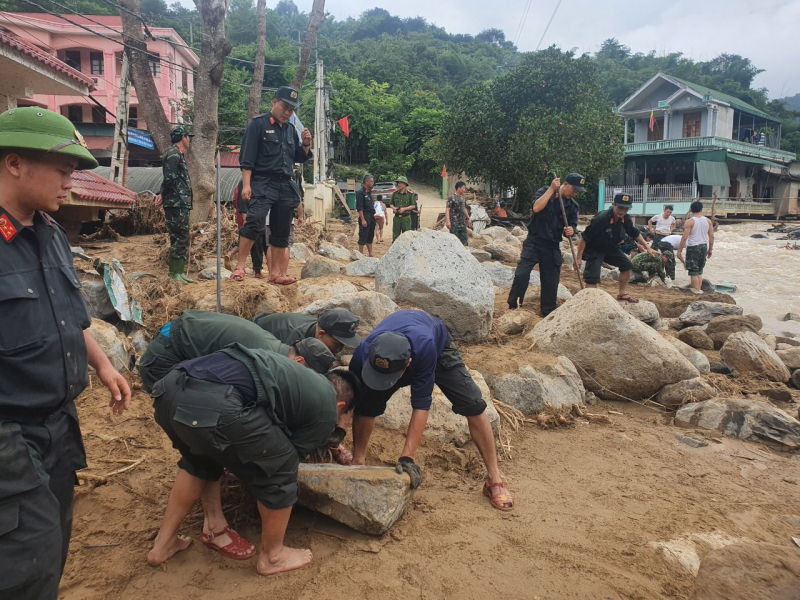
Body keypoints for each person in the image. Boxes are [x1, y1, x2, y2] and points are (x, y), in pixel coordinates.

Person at [0, 107, 132, 600]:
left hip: (59, 425)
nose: (70, 185)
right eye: (62, 171)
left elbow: (68, 318)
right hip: (9, 433)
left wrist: (101, 364)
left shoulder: (51, 234)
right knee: (24, 559)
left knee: (51, 548)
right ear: (15, 163)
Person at [147, 344, 360, 575]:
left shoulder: (292, 374)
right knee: (282, 466)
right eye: (342, 417)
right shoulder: (327, 406)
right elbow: (287, 459)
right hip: (216, 404)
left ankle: (163, 543)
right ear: (340, 406)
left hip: (169, 390)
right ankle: (273, 556)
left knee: (199, 461)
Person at [348, 310, 513, 511]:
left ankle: (494, 479)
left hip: (437, 346)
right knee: (366, 404)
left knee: (473, 404)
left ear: (407, 366)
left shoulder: (424, 348)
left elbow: (421, 405)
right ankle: (358, 460)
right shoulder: (364, 351)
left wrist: (407, 457)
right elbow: (351, 398)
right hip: (393, 355)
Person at [139, 309, 335, 393]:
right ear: (299, 362)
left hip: (183, 338)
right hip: (166, 353)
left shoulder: (275, 346)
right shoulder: (263, 359)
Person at [235, 86, 312, 284]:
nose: (287, 113)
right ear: (274, 102)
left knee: (281, 230)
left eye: (291, 110)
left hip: (286, 184)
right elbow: (247, 159)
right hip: (263, 181)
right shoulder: (258, 124)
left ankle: (276, 274)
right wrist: (246, 185)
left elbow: (298, 157)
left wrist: (305, 144)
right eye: (284, 107)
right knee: (255, 221)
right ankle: (240, 267)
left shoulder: (290, 130)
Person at [507, 174, 582, 315]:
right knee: (522, 274)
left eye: (578, 191)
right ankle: (513, 306)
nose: (576, 193)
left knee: (551, 280)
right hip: (534, 242)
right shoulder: (545, 191)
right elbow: (536, 208)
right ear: (565, 184)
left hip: (552, 245)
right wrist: (552, 190)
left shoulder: (573, 206)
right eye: (574, 189)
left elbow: (571, 229)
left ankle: (547, 311)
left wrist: (570, 231)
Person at [576, 193, 661, 303]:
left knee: (627, 265)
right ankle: (589, 301)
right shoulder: (601, 218)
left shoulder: (626, 218)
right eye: (620, 208)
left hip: (612, 248)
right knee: (592, 277)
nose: (622, 211)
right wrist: (578, 257)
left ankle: (622, 293)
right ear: (613, 205)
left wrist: (647, 247)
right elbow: (584, 238)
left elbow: (635, 233)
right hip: (595, 248)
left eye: (626, 209)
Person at [155, 125, 194, 283]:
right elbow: (169, 178)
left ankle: (179, 272)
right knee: (179, 237)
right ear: (183, 137)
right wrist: (162, 194)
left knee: (182, 236)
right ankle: (175, 274)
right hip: (176, 202)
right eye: (188, 137)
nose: (189, 140)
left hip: (179, 202)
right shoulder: (173, 154)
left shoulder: (177, 154)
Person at [253, 308, 362, 354]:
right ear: (321, 334)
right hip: (254, 335)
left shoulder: (325, 324)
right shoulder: (293, 341)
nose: (339, 349)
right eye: (337, 344)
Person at [677, 201, 714, 294]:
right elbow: (711, 237)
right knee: (699, 270)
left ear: (691, 210)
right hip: (703, 246)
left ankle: (696, 292)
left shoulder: (690, 221)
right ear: (701, 209)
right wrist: (710, 249)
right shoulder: (708, 221)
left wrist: (679, 251)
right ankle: (699, 291)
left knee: (693, 271)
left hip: (693, 247)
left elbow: (684, 237)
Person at [388, 176, 416, 242]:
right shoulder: (395, 194)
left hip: (406, 218)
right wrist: (394, 208)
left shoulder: (410, 194)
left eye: (401, 183)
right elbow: (391, 204)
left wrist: (404, 209)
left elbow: (413, 206)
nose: (399, 184)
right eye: (398, 183)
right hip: (397, 218)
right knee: (395, 235)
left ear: (405, 184)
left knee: (407, 236)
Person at [445, 181, 472, 246]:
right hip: (454, 223)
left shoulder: (463, 198)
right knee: (454, 241)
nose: (464, 190)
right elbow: (447, 210)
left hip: (462, 223)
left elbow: (464, 208)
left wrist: (468, 219)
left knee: (464, 241)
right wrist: (448, 222)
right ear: (458, 188)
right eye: (463, 188)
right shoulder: (452, 198)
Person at [356, 173, 376, 256]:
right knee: (363, 235)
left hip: (371, 216)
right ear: (366, 182)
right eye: (371, 181)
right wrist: (363, 219)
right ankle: (360, 254)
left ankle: (370, 254)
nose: (372, 183)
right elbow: (360, 207)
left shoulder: (369, 193)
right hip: (365, 216)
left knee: (370, 235)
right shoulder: (361, 192)